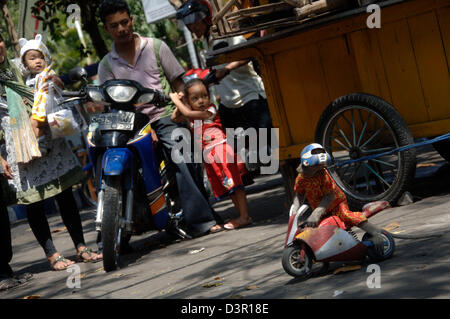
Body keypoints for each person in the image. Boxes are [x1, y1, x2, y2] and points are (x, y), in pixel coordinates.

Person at [97, 0, 223, 237]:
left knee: (183, 155)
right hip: (130, 125)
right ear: (106, 29)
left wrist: (183, 113)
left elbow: (178, 82)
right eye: (114, 26)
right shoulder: (106, 65)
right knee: (112, 161)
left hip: (165, 116)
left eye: (124, 22)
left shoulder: (156, 46)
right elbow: (111, 103)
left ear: (132, 20)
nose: (121, 29)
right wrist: (143, 128)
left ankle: (201, 220)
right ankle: (116, 229)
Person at [0, 33, 102, 271]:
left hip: (47, 135)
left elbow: (44, 73)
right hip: (19, 144)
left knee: (65, 193)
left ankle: (81, 247)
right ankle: (52, 254)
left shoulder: (18, 66)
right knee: (34, 202)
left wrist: (55, 79)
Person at [176, 0, 273, 166]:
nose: (193, 28)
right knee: (230, 150)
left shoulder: (225, 34)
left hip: (250, 97)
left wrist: (226, 69)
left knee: (274, 150)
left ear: (206, 19)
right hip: (229, 104)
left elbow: (248, 53)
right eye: (189, 25)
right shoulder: (206, 45)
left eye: (195, 23)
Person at [170, 78, 252, 229]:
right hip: (210, 154)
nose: (201, 101)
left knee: (235, 184)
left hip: (221, 150)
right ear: (188, 101)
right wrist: (181, 101)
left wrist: (176, 100)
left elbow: (186, 112)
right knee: (229, 186)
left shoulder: (211, 110)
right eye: (195, 98)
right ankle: (241, 215)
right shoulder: (192, 113)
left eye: (204, 96)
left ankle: (244, 216)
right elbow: (174, 118)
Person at [294, 143, 385, 254]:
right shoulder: (301, 179)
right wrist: (294, 215)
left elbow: (330, 196)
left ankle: (376, 233)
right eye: (318, 166)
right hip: (319, 208)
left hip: (336, 203)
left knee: (346, 216)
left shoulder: (323, 174)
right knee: (314, 229)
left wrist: (316, 214)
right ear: (307, 165)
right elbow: (299, 195)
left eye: (322, 165)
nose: (322, 168)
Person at [18, 34, 56, 155]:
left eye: (41, 57)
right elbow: (31, 95)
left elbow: (57, 84)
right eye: (32, 58)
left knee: (33, 123)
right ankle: (42, 142)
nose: (38, 61)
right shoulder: (29, 79)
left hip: (50, 106)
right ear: (25, 64)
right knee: (31, 124)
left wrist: (56, 83)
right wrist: (26, 100)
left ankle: (43, 145)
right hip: (39, 108)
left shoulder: (47, 73)